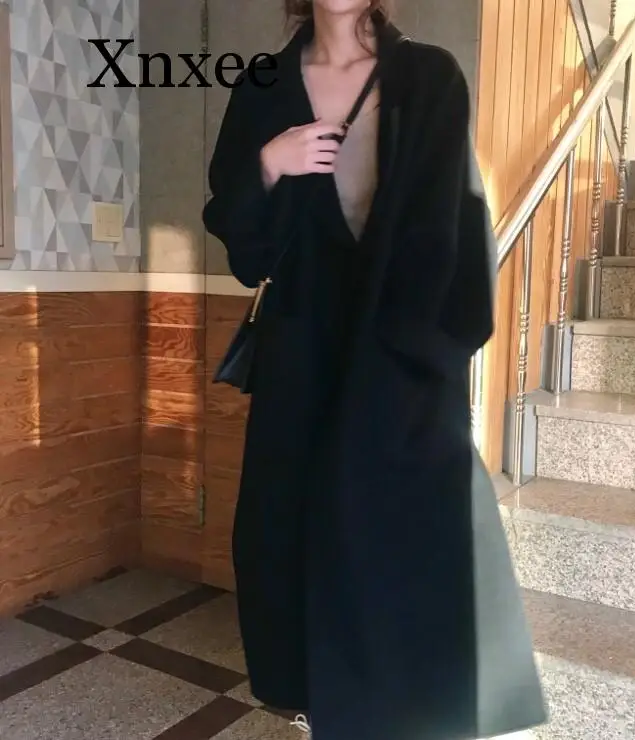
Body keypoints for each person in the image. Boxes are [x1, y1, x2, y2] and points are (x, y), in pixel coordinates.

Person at [202, 2, 547, 740]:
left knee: (407, 544)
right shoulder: (263, 85)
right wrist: (269, 165)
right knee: (291, 540)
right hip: (301, 352)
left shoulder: (428, 77)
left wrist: (432, 357)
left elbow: (458, 229)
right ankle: (323, 712)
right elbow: (244, 251)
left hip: (403, 354)